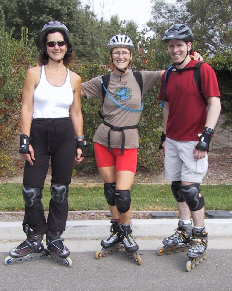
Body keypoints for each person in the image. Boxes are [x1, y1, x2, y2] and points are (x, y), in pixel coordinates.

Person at [81, 34, 166, 253]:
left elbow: (172, 73)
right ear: (111, 56)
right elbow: (74, 89)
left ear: (130, 56)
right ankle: (116, 229)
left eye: (124, 52)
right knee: (110, 192)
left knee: (123, 195)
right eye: (116, 52)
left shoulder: (141, 78)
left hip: (128, 142)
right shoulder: (102, 81)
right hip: (103, 141)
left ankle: (126, 231)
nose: (120, 55)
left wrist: (194, 61)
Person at [9, 21, 85, 260]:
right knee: (31, 190)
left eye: (60, 43)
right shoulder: (34, 73)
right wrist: (24, 139)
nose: (56, 47)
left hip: (65, 134)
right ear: (45, 46)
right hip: (39, 133)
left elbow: (76, 112)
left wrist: (80, 141)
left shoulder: (74, 78)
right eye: (51, 43)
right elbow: (26, 107)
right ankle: (34, 236)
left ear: (66, 46)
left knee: (60, 190)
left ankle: (54, 237)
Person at [158, 24, 221, 258]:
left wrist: (206, 136)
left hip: (193, 141)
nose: (175, 50)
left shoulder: (203, 70)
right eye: (171, 46)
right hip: (173, 140)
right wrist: (164, 136)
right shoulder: (168, 74)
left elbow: (214, 103)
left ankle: (200, 235)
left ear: (189, 46)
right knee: (177, 187)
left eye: (179, 45)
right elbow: (167, 106)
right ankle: (183, 229)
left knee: (191, 190)